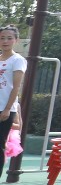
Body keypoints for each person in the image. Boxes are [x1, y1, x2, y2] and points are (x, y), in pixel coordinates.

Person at [0, 25, 26, 175]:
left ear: (16, 40)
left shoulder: (17, 60)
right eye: (2, 38)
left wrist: (7, 109)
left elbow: (16, 87)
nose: (5, 41)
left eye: (9, 38)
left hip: (5, 109)